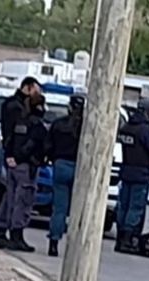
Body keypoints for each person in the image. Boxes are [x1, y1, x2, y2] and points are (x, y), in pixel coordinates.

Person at [0, 93, 49, 252]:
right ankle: (17, 236)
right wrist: (20, 158)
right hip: (26, 167)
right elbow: (33, 146)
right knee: (23, 202)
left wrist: (9, 157)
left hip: (13, 167)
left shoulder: (19, 122)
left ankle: (0, 233)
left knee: (9, 199)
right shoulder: (37, 126)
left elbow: (8, 140)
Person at [115, 98, 149, 253]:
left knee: (123, 206)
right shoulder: (144, 130)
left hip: (126, 172)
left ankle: (120, 237)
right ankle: (127, 240)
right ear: (147, 112)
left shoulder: (126, 127)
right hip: (140, 173)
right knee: (135, 208)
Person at [44, 94, 85, 257]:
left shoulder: (58, 124)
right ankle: (77, 247)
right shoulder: (86, 128)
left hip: (60, 165)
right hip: (80, 168)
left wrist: (53, 159)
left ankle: (54, 242)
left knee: (59, 209)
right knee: (79, 210)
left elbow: (48, 146)